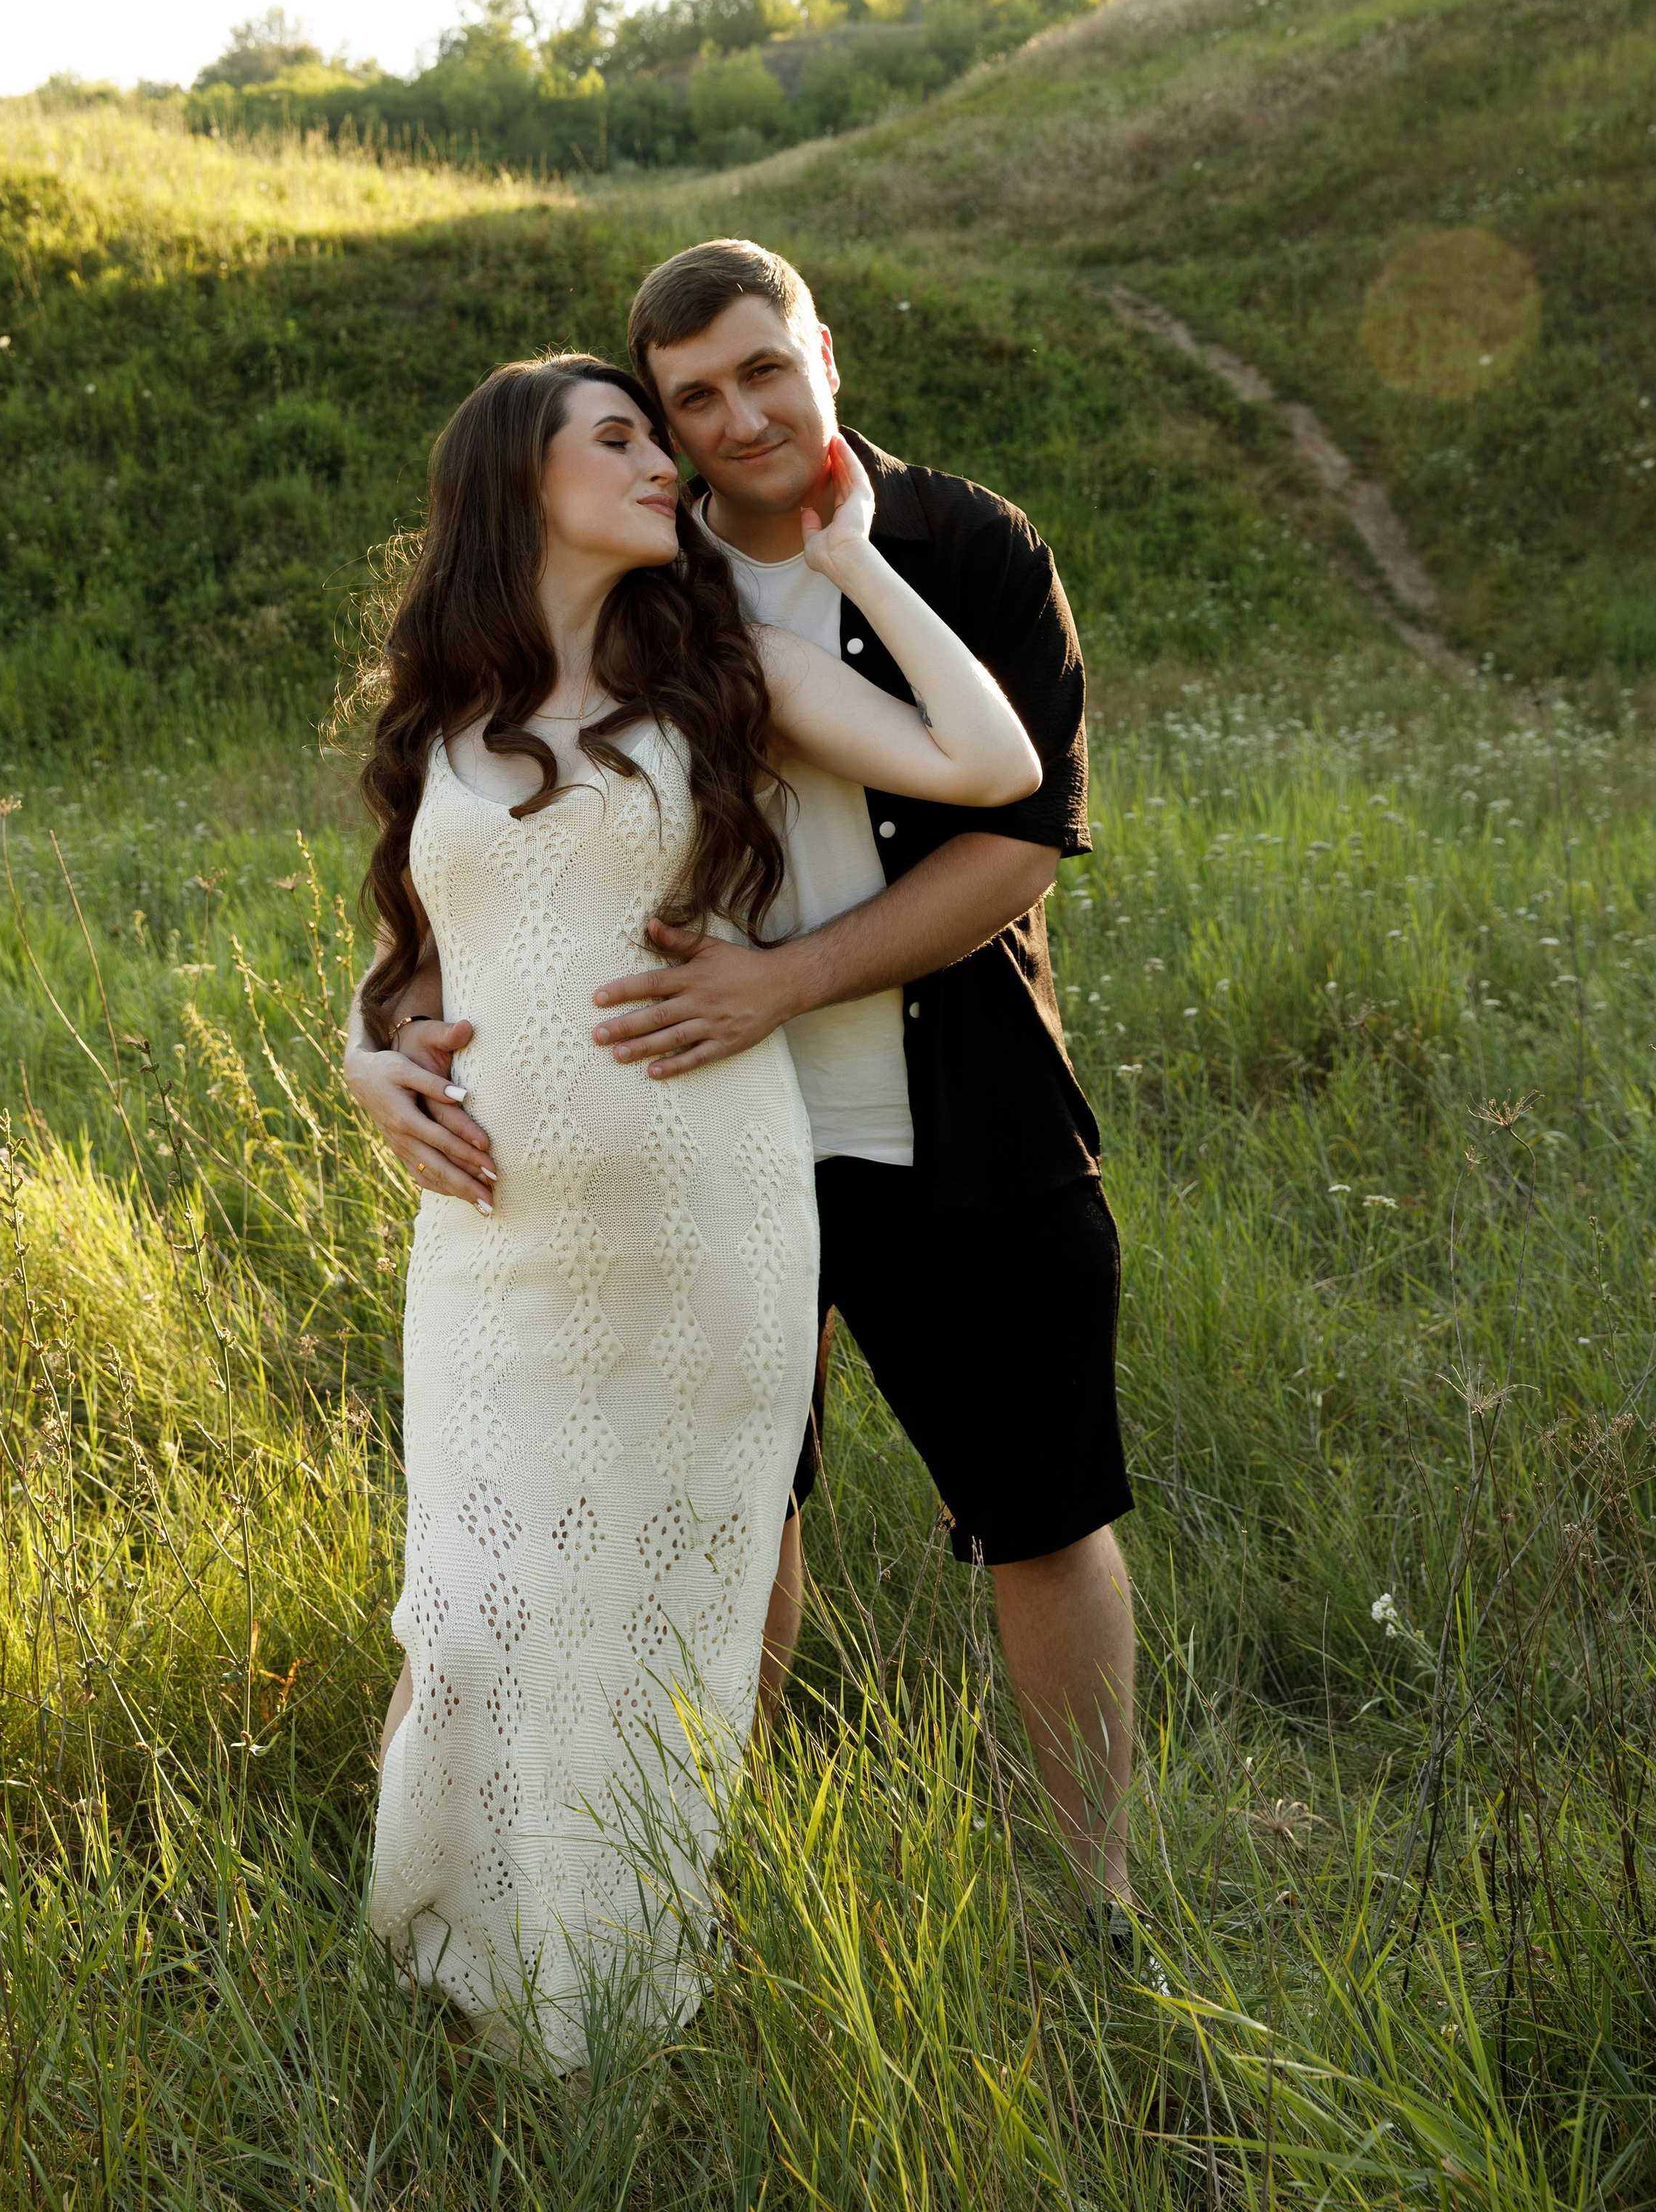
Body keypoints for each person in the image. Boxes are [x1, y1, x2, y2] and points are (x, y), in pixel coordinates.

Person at [348, 245, 1141, 1944]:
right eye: (680, 404)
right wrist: (370, 1044)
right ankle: (666, 1872)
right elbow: (476, 899)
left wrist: (778, 980)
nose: (722, 424)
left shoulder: (958, 547)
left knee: (1036, 1512)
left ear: (821, 357)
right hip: (670, 1172)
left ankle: (1093, 1907)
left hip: (948, 1121)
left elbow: (1019, 818)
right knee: (717, 1528)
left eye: (754, 376)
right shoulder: (655, 592)